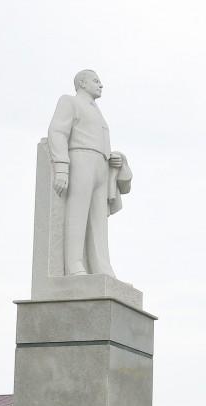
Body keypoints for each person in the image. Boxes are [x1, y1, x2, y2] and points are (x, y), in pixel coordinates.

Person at [48, 69, 132, 277]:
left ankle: (102, 266)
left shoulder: (97, 112)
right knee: (77, 212)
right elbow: (57, 132)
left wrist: (116, 158)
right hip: (81, 159)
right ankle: (75, 264)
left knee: (98, 220)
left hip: (101, 165)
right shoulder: (69, 101)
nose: (101, 85)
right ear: (82, 83)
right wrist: (61, 166)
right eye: (96, 81)